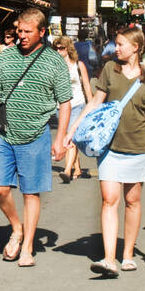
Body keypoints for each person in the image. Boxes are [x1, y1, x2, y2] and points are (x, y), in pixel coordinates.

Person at [0, 8, 72, 267]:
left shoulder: (54, 61)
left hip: (36, 134)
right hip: (3, 133)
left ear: (42, 32)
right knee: (0, 189)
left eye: (27, 32)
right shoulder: (5, 57)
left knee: (30, 193)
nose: (21, 36)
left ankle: (27, 248)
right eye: (19, 31)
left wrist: (60, 139)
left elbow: (66, 102)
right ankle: (17, 227)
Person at [67, 29, 145, 275]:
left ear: (136, 47)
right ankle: (109, 259)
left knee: (132, 201)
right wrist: (73, 129)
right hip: (109, 146)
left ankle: (128, 254)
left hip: (138, 147)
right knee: (109, 199)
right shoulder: (110, 69)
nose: (116, 49)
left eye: (121, 44)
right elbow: (95, 102)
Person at [53, 36, 93, 182]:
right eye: (56, 48)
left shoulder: (78, 65)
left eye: (61, 48)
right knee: (68, 137)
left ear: (68, 48)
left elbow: (87, 86)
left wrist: (91, 106)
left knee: (70, 137)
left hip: (77, 104)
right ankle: (77, 168)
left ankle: (67, 170)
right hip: (60, 106)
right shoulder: (54, 66)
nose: (58, 51)